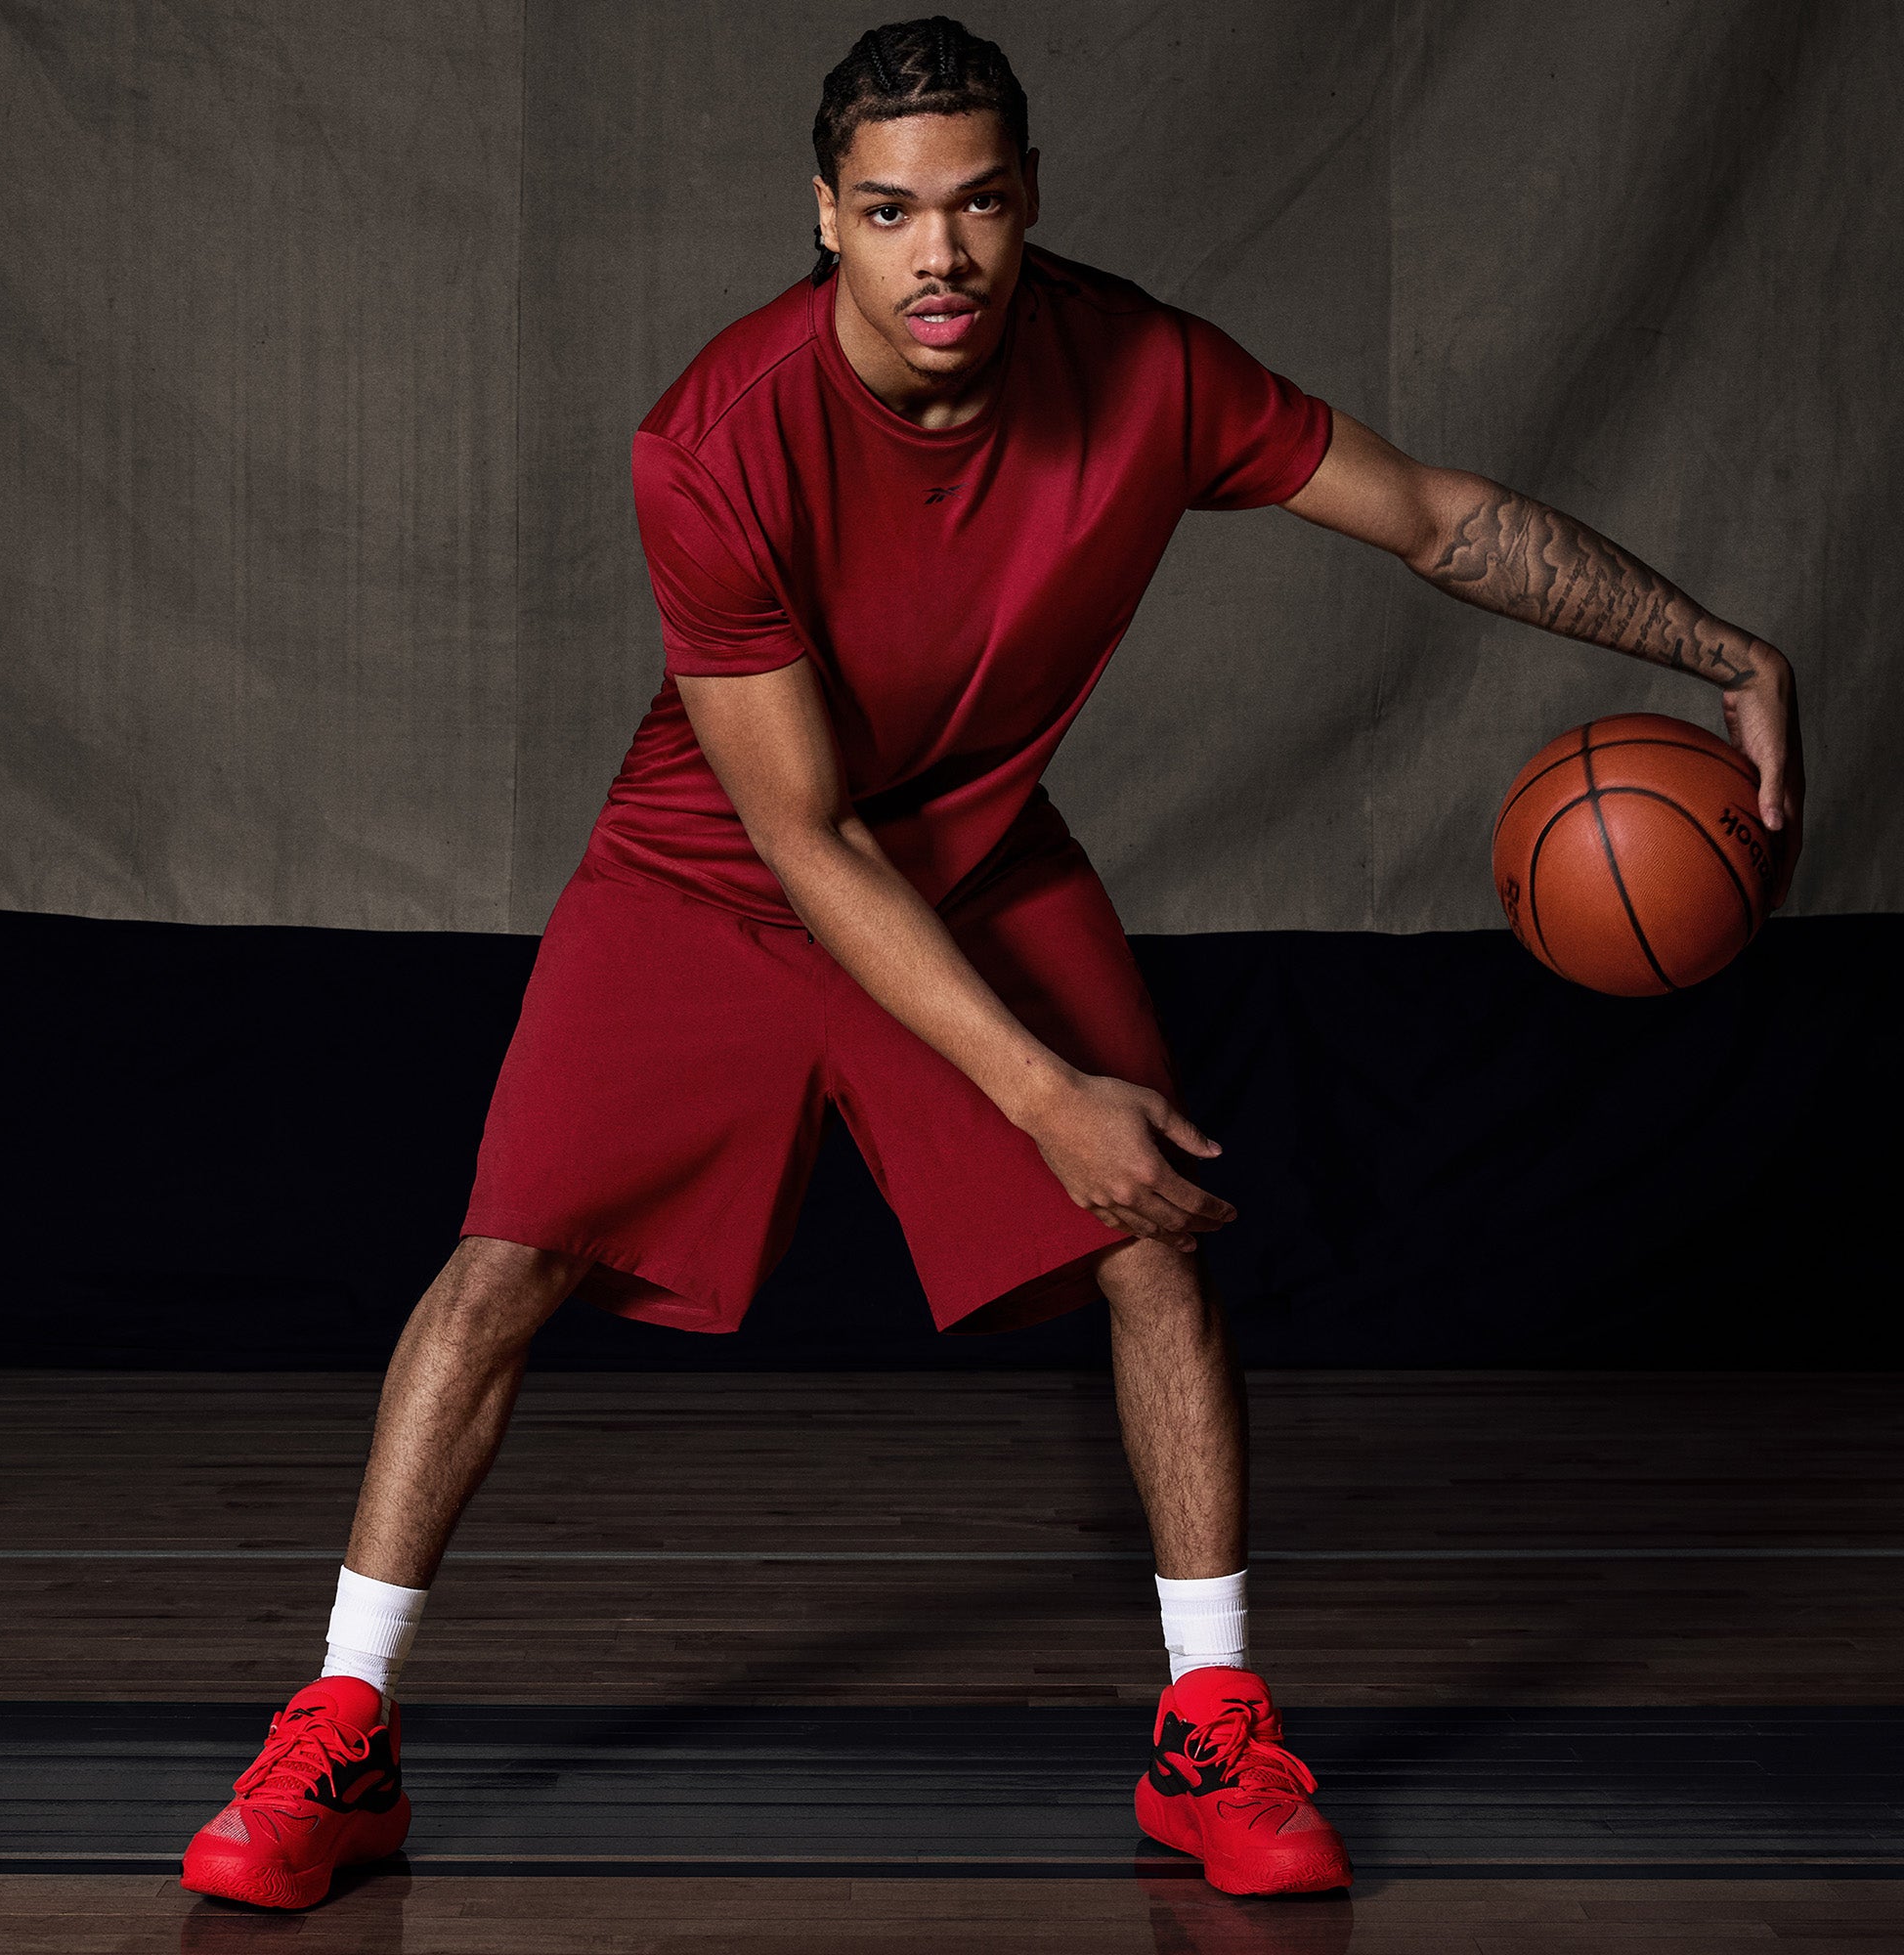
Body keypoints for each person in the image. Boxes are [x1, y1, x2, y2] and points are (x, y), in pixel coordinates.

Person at [179, 15, 1804, 1911]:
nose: (937, 252)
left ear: (1027, 204)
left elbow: (1435, 512)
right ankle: (339, 1736)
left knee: (1157, 1237)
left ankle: (1211, 1733)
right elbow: (801, 834)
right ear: (826, 219)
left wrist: (1715, 648)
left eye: (974, 204)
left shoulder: (1148, 370)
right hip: (714, 866)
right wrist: (1041, 1092)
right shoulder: (714, 439)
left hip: (970, 849)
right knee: (500, 1266)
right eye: (888, 212)